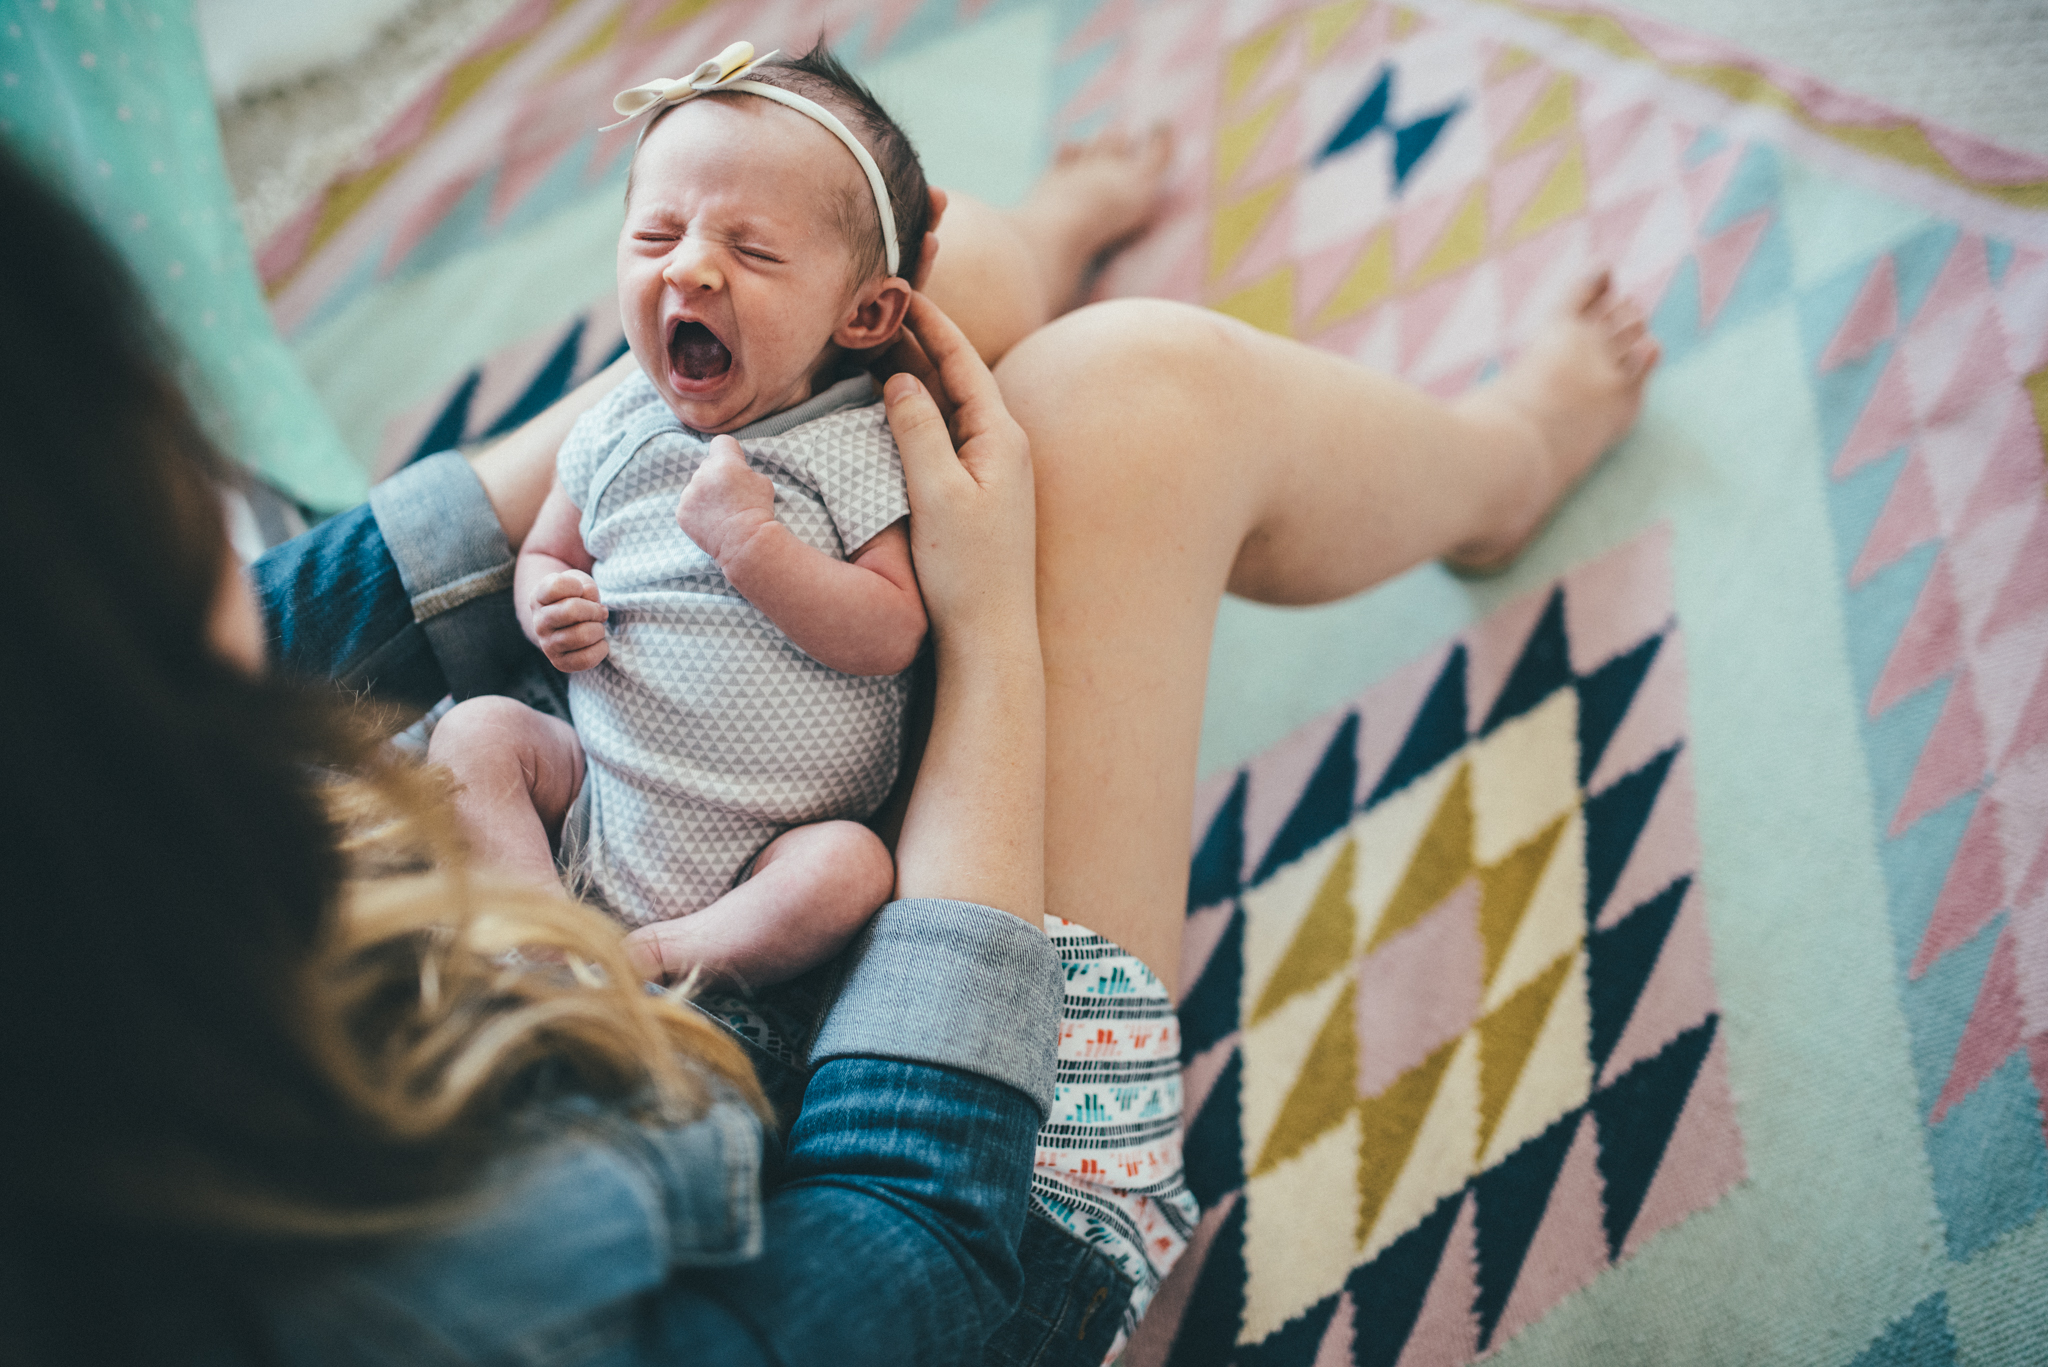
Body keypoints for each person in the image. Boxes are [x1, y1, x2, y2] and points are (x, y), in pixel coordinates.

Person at [0, 47, 1657, 1357]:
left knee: (963, 279)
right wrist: (988, 635)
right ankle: (1498, 469)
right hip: (901, 1219)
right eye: (181, 488)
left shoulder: (91, 805)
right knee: (1132, 398)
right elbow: (903, 1253)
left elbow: (340, 606)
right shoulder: (380, 1267)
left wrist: (627, 449)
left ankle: (1031, 243)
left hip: (601, 793)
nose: (226, 506)